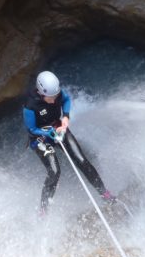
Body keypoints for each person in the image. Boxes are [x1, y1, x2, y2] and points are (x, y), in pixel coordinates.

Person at [23, 71, 115, 212]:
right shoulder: (30, 106)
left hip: (58, 128)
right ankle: (43, 210)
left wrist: (65, 117)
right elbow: (32, 129)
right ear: (41, 93)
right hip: (40, 137)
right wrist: (48, 133)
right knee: (54, 172)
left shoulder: (57, 93)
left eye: (55, 96)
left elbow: (66, 100)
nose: (54, 100)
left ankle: (104, 193)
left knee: (82, 161)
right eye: (50, 97)